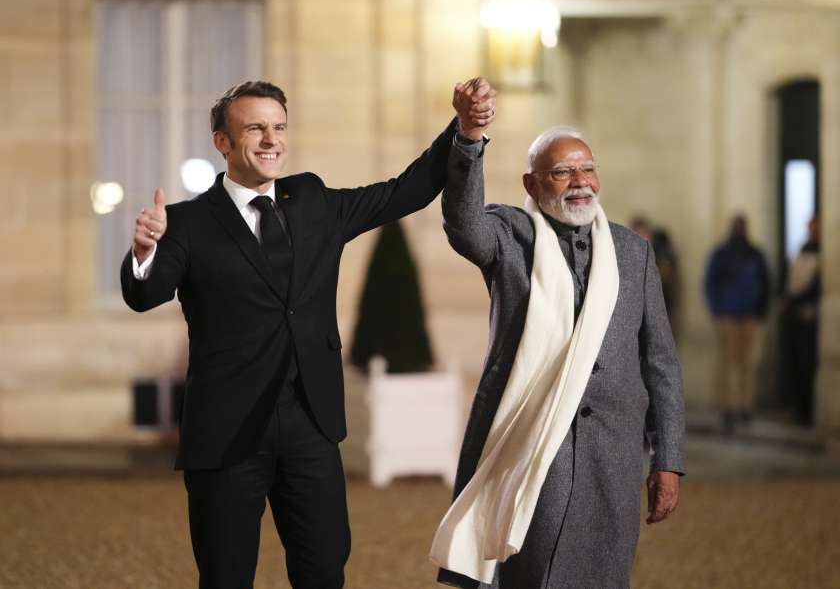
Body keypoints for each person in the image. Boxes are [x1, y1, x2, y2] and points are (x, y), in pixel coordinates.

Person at [121, 79, 493, 589]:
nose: (271, 139)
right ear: (222, 141)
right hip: (226, 431)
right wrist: (144, 253)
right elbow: (144, 294)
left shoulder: (313, 200)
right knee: (225, 577)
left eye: (278, 127)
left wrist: (465, 131)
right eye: (255, 128)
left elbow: (404, 191)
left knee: (323, 572)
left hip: (310, 425)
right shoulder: (186, 223)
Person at [430, 79, 685, 589]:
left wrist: (669, 458)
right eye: (562, 171)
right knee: (532, 575)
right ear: (531, 184)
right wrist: (469, 139)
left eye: (587, 168)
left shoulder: (633, 252)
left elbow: (659, 361)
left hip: (612, 456)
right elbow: (463, 224)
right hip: (532, 450)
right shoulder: (510, 236)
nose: (579, 181)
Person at [703, 215, 770, 433]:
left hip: (749, 316)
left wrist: (761, 311)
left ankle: (745, 406)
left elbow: (766, 284)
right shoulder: (721, 254)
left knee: (747, 364)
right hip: (728, 316)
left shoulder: (755, 254)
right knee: (729, 364)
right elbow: (710, 283)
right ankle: (729, 407)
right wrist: (717, 309)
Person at [782, 216, 821, 425]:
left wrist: (794, 299)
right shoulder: (802, 250)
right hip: (797, 317)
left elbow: (816, 286)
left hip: (812, 317)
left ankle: (808, 411)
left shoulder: (822, 251)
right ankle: (799, 409)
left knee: (808, 366)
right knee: (797, 365)